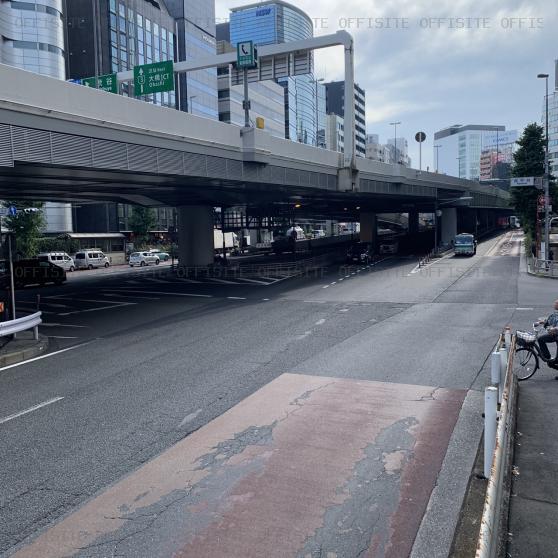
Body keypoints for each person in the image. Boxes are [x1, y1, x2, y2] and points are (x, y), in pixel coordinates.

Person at [536, 300, 558, 371]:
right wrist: (541, 322)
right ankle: (546, 356)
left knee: (540, 339)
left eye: (556, 303)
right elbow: (550, 320)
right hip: (555, 335)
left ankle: (546, 356)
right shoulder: (555, 313)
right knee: (540, 339)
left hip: (556, 335)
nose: (554, 304)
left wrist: (554, 329)